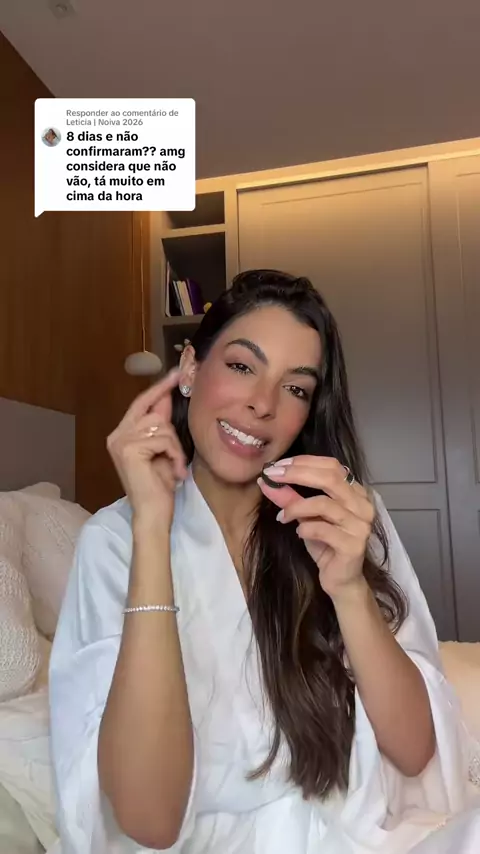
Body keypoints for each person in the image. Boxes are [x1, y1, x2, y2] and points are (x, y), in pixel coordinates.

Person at [49, 270, 480, 853]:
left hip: (358, 834)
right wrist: (152, 529)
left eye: (296, 388)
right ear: (190, 368)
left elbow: (413, 751)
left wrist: (348, 588)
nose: (262, 404)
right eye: (242, 366)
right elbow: (149, 820)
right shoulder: (116, 538)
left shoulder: (341, 515)